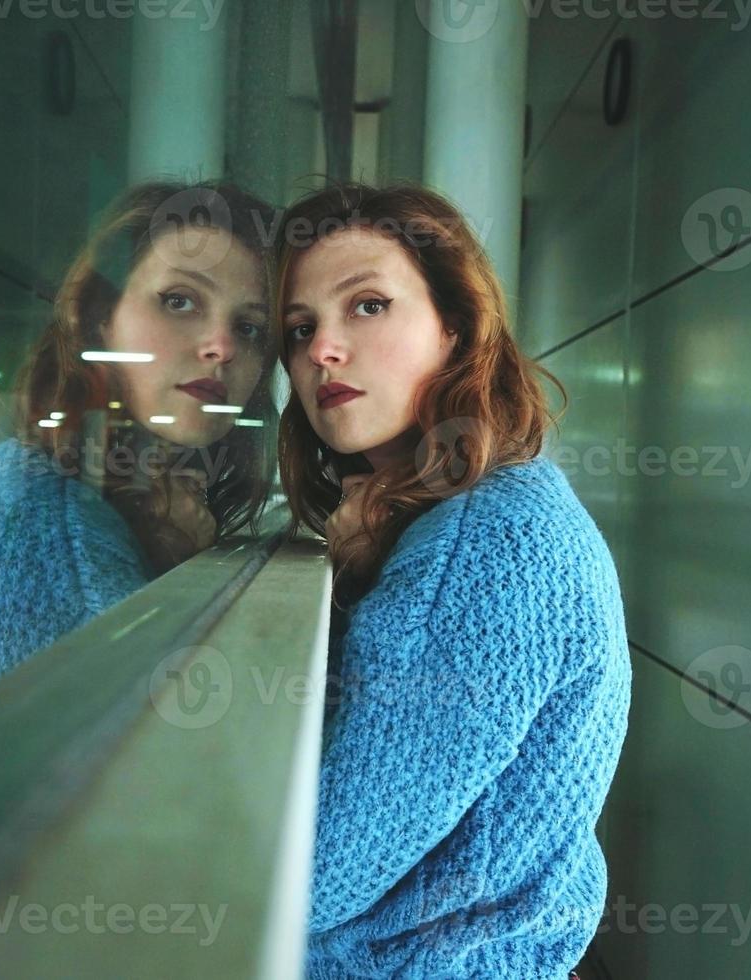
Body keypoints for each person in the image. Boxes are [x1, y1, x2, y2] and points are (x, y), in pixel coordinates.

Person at [276, 182, 630, 978]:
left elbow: (315, 874)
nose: (322, 350)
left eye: (366, 306)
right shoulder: (489, 503)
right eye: (301, 328)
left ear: (455, 326)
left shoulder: (483, 543)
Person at [0, 181, 279, 729]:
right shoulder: (42, 525)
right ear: (103, 318)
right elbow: (157, 772)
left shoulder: (93, 484)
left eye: (249, 327)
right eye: (180, 301)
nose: (221, 345)